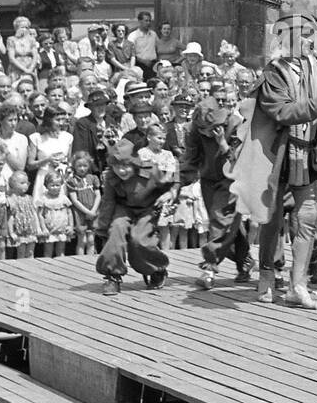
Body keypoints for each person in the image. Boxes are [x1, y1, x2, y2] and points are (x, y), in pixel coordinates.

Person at [231, 10, 317, 309]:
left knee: (308, 216)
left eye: (310, 34)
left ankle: (297, 284)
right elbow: (284, 113)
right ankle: (266, 274)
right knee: (271, 218)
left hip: (309, 150)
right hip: (275, 153)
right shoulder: (273, 73)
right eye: (302, 34)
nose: (309, 40)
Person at [182, 96, 251, 288]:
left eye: (209, 128)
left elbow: (239, 160)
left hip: (232, 179)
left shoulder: (236, 124)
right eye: (202, 128)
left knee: (220, 220)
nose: (206, 133)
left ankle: (209, 268)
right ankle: (244, 259)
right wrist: (176, 183)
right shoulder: (194, 129)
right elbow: (191, 158)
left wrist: (222, 143)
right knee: (225, 222)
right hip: (209, 179)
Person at [94, 140, 173, 294]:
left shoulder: (150, 170)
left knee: (139, 239)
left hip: (147, 209)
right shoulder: (111, 176)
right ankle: (112, 275)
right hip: (124, 208)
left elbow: (169, 183)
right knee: (116, 230)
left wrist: (170, 195)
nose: (122, 171)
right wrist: (102, 227)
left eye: (126, 166)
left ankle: (157, 269)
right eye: (117, 166)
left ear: (135, 163)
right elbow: (108, 202)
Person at [126, 11, 159, 80]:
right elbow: (130, 53)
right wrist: (143, 61)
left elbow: (157, 48)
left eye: (150, 21)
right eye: (146, 21)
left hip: (153, 65)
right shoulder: (133, 36)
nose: (148, 23)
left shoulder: (153, 34)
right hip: (139, 65)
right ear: (140, 21)